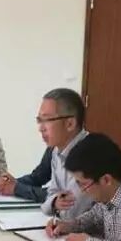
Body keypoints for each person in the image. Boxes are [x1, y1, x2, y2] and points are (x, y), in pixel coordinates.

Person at [29, 88, 93, 220]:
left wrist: (54, 205)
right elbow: (50, 197)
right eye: (39, 120)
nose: (41, 128)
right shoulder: (57, 151)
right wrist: (54, 202)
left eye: (47, 120)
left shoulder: (89, 154)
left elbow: (71, 213)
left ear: (70, 124)